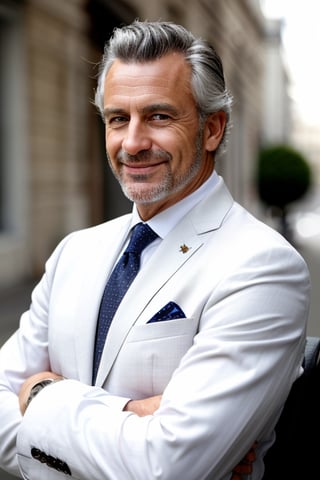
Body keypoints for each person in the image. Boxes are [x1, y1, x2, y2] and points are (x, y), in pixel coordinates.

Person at [0, 20, 310, 480]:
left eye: (159, 116)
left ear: (212, 129)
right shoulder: (74, 253)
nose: (132, 143)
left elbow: (167, 466)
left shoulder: (263, 266)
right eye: (117, 118)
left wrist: (41, 393)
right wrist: (129, 413)